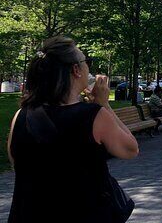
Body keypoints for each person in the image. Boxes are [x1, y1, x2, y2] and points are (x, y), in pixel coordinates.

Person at [7, 36, 139, 222]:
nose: (89, 68)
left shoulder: (21, 115)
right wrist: (105, 105)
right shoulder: (93, 116)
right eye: (86, 62)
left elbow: (17, 163)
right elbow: (131, 149)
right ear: (76, 70)